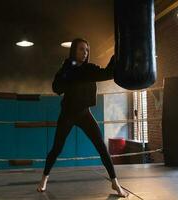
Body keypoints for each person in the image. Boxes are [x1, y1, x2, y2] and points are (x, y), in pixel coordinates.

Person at [36, 38, 128, 197]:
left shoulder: (89, 69)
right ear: (73, 51)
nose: (84, 53)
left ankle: (115, 183)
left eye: (86, 50)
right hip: (68, 114)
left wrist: (117, 54)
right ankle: (44, 179)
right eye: (81, 49)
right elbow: (56, 87)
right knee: (57, 149)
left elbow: (107, 73)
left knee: (101, 147)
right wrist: (67, 76)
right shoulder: (67, 67)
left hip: (84, 113)